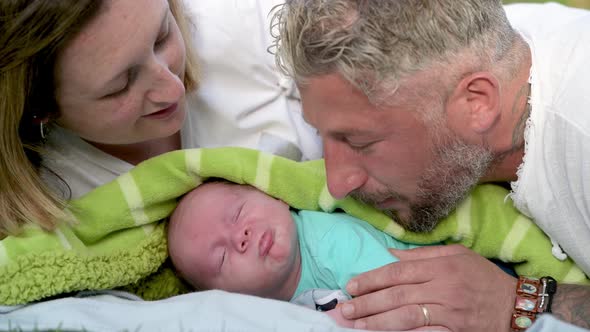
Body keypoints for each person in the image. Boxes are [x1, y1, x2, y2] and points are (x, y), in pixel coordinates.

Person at [271, 1, 590, 331]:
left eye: (360, 143)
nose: (336, 183)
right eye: (319, 133)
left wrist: (512, 301)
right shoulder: (472, 53)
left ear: (477, 103)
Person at [167, 181, 425, 327]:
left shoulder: (330, 240)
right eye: (221, 257)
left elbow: (406, 297)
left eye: (238, 213)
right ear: (224, 296)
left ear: (276, 197)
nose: (240, 237)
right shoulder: (259, 317)